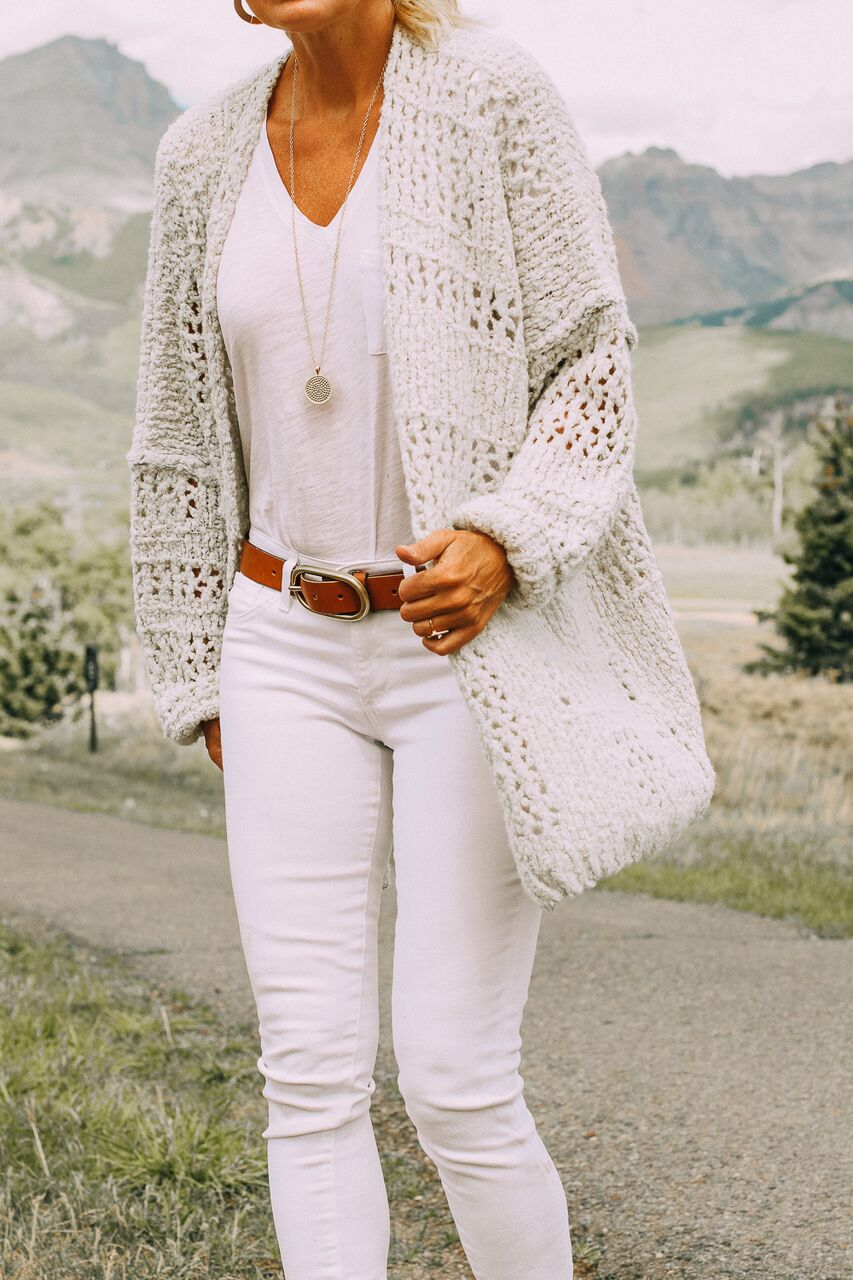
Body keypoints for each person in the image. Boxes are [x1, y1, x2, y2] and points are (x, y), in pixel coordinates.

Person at [127, 1, 716, 1276]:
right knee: (310, 1077)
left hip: (469, 646)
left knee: (454, 1075)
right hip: (278, 639)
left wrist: (508, 536)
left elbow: (591, 365)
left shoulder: (492, 97)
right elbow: (175, 425)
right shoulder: (200, 154)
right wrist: (198, 664)